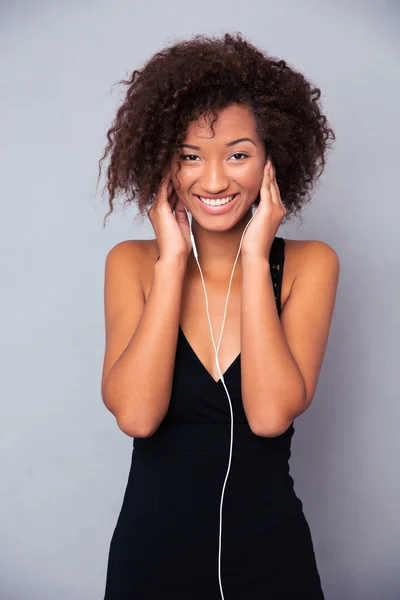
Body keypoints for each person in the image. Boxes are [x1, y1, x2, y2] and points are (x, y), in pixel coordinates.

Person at [99, 32, 340, 599]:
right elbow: (135, 415)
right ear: (164, 163)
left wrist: (257, 258)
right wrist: (173, 259)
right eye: (190, 156)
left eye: (238, 154)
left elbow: (269, 415)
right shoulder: (132, 263)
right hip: (150, 556)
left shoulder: (311, 264)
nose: (212, 180)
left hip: (271, 553)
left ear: (271, 161)